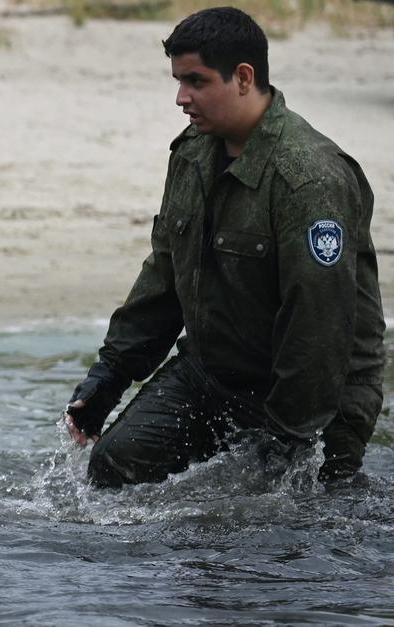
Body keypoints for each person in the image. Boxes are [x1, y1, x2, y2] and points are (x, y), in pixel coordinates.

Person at [63, 7, 385, 487]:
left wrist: (283, 446)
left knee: (277, 531)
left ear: (243, 77)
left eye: (195, 81)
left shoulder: (310, 179)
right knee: (111, 469)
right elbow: (165, 278)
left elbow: (318, 328)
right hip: (212, 374)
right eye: (177, 80)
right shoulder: (193, 153)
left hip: (315, 395)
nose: (180, 97)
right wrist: (108, 379)